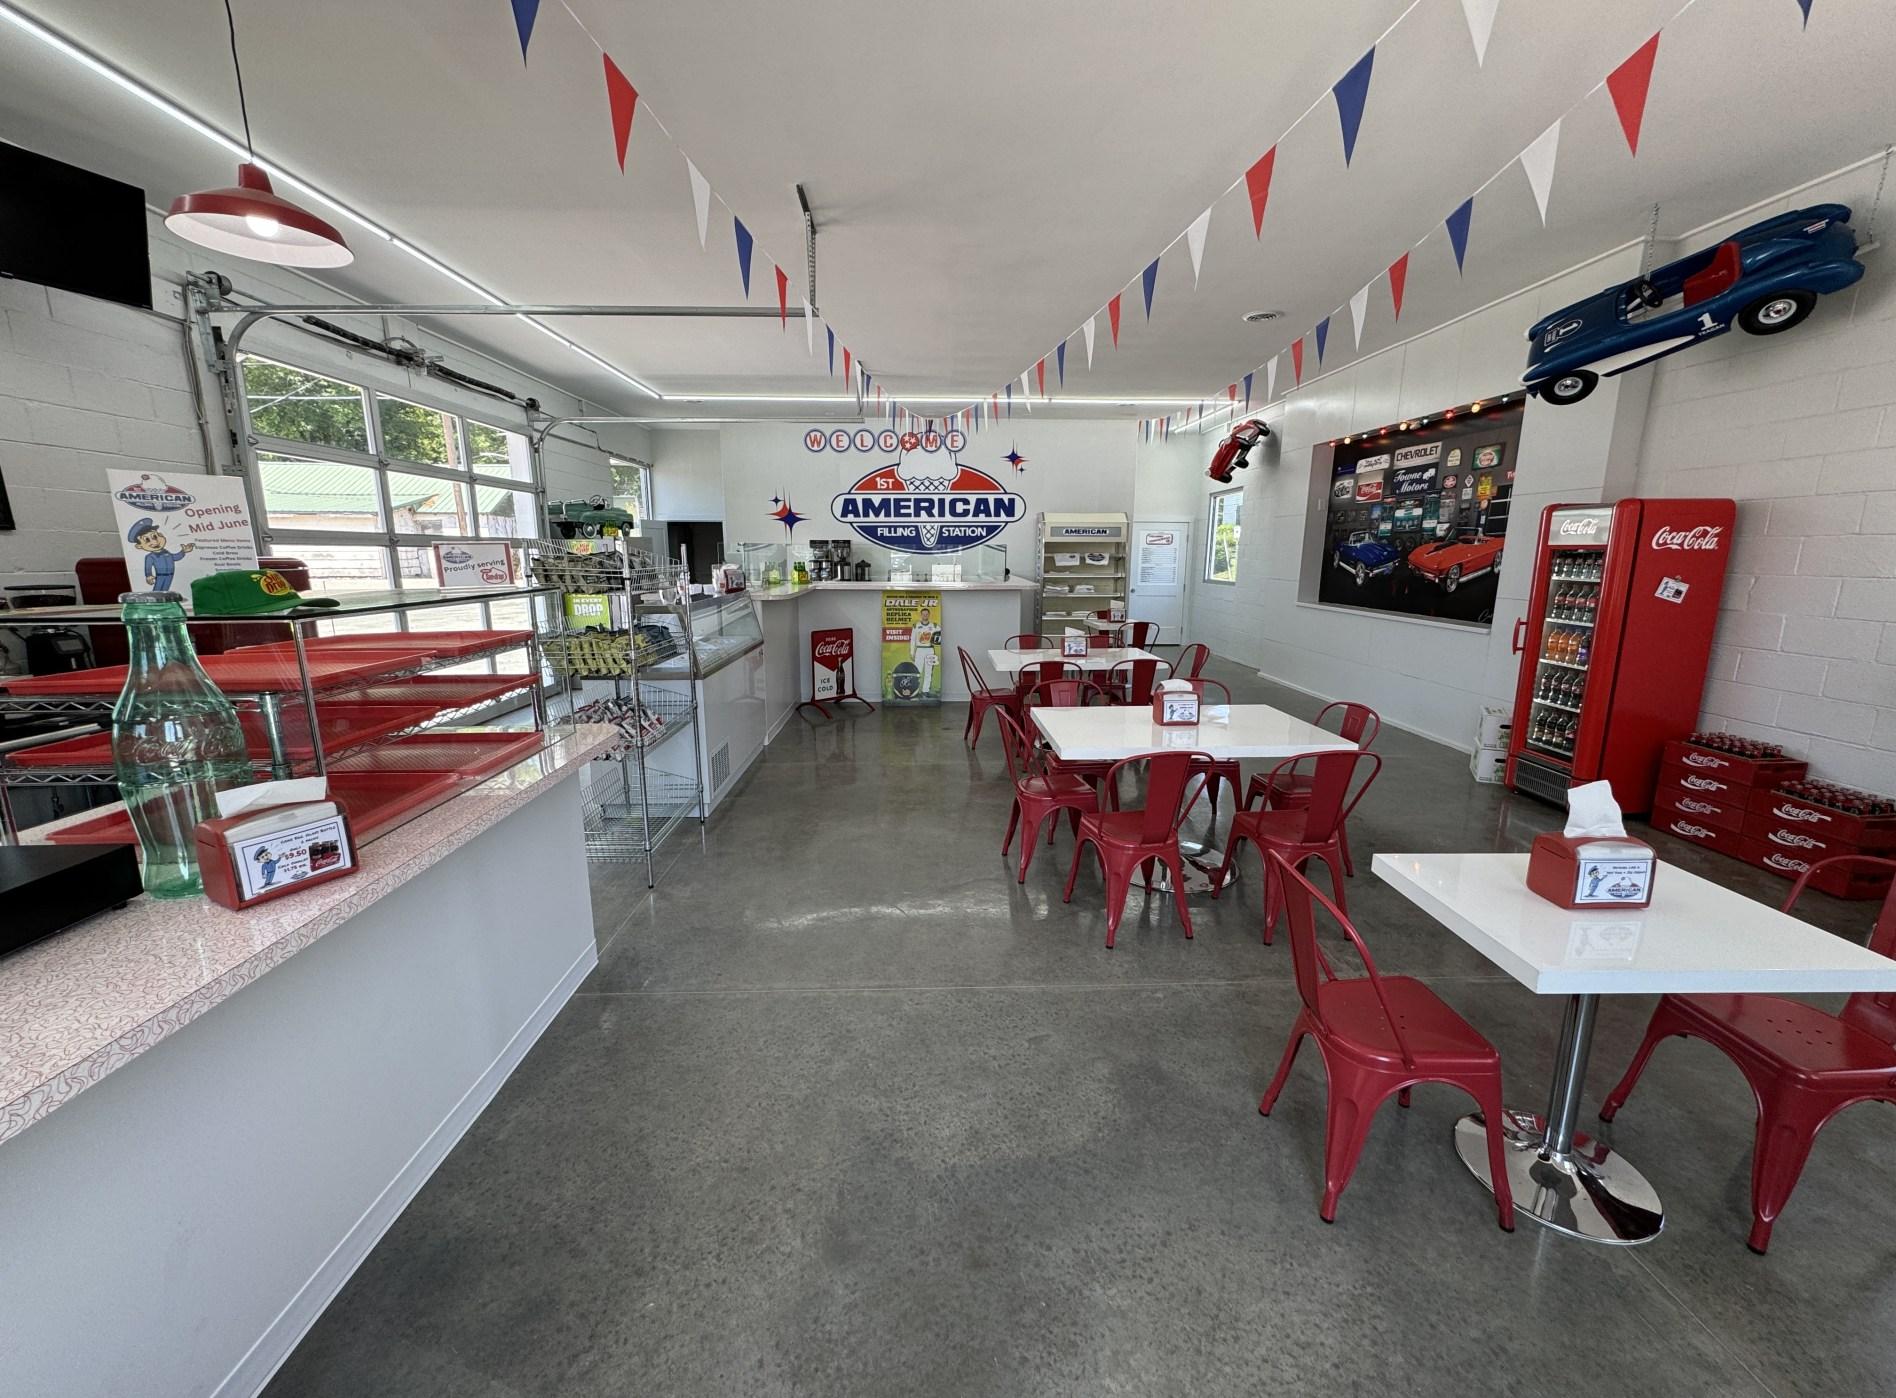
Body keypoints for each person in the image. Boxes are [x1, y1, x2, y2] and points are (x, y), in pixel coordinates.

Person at [128, 517, 194, 592]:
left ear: (161, 535)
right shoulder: (150, 557)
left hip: (170, 575)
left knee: (166, 591)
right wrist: (149, 575)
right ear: (139, 546)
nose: (155, 542)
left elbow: (175, 557)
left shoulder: (167, 552)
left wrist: (183, 551)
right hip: (160, 576)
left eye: (155, 536)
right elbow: (148, 567)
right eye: (147, 540)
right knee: (157, 591)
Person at [910, 606, 941, 696]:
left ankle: (925, 691)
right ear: (921, 615)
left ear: (929, 615)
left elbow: (941, 635)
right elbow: (912, 640)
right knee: (917, 671)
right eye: (923, 614)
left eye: (926, 614)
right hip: (919, 650)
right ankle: (915, 690)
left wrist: (937, 640)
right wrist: (912, 652)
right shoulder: (916, 626)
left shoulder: (934, 626)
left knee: (928, 671)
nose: (925, 616)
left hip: (930, 650)